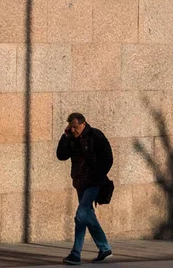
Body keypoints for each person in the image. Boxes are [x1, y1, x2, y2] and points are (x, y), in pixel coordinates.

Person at [56, 112, 113, 265]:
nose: (73, 130)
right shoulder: (72, 139)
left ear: (83, 123)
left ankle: (75, 253)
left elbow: (108, 158)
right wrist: (65, 136)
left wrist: (97, 175)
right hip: (80, 182)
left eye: (75, 127)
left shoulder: (95, 135)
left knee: (80, 215)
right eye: (71, 128)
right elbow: (61, 155)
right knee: (89, 216)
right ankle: (105, 248)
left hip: (94, 183)